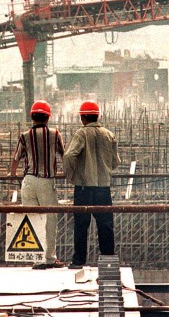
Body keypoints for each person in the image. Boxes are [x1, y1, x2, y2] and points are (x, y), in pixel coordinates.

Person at [63, 100, 120, 269]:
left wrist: (72, 174)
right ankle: (108, 262)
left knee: (81, 225)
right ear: (97, 116)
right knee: (105, 225)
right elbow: (116, 161)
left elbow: (68, 156)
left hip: (83, 189)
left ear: (83, 118)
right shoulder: (109, 134)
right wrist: (104, 170)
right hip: (103, 189)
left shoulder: (81, 134)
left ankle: (79, 261)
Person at [8, 100, 65, 269]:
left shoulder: (25, 136)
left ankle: (37, 259)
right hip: (46, 181)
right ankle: (49, 258)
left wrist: (12, 174)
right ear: (48, 118)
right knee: (50, 220)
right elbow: (65, 155)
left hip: (29, 182)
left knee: (32, 219)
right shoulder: (55, 134)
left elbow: (16, 158)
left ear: (32, 117)